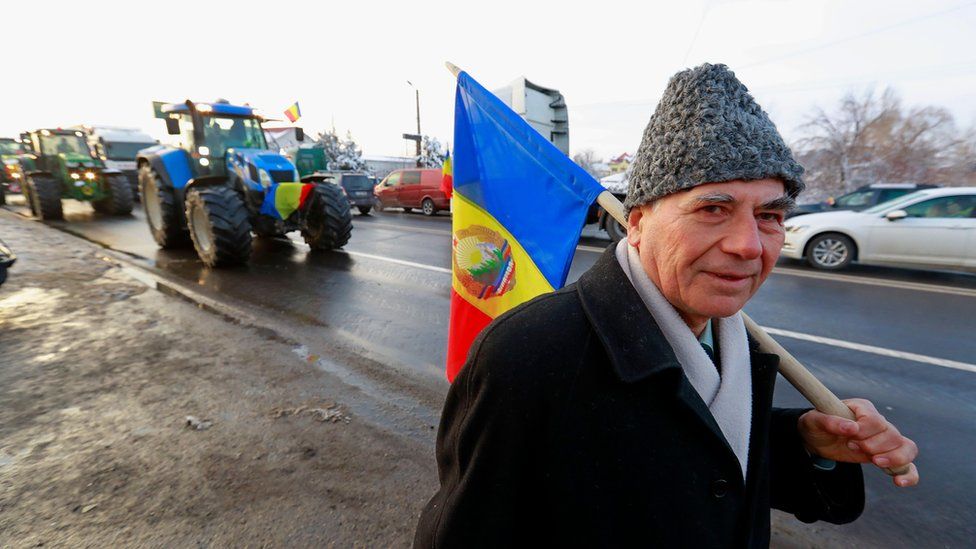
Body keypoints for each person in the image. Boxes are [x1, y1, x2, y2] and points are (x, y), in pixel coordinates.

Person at [414, 63, 918, 548]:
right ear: (636, 224)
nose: (748, 245)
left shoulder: (732, 341)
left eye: (769, 215)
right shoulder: (529, 354)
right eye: (713, 209)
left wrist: (807, 442)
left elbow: (700, 457)